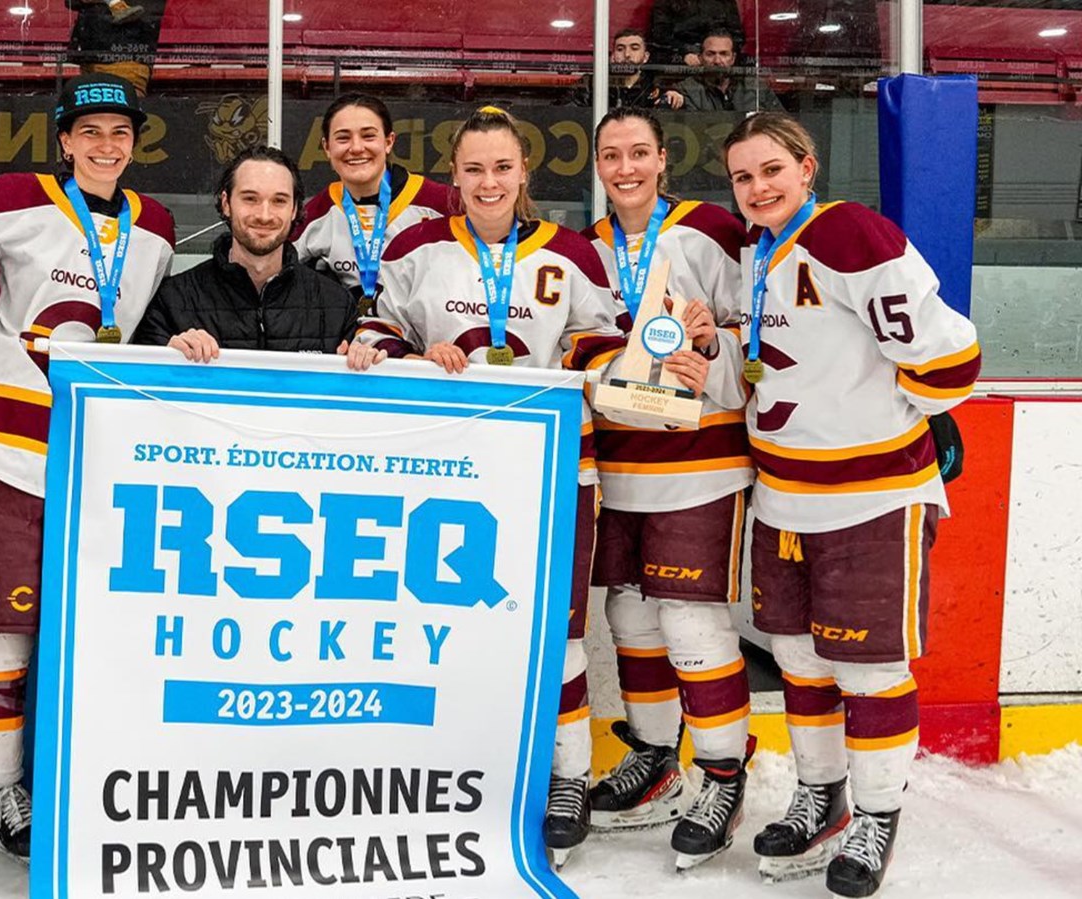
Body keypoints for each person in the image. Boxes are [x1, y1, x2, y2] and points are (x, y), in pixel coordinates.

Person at [346, 105, 627, 870]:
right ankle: (462, 771)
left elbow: (602, 344)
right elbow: (376, 332)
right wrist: (402, 352)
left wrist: (608, 369)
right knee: (453, 625)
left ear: (524, 173)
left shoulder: (570, 252)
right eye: (473, 169)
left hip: (555, 468)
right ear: (454, 176)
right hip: (449, 470)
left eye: (502, 167)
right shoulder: (418, 244)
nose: (488, 181)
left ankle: (568, 774)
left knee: (559, 630)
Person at [723, 112, 980, 897]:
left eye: (772, 169)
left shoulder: (851, 235)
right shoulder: (754, 255)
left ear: (807, 166)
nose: (759, 187)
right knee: (799, 660)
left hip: (871, 497)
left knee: (869, 669)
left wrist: (902, 415)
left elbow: (948, 358)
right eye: (742, 177)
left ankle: (876, 812)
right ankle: (820, 794)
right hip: (783, 498)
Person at [0, 71, 176, 861]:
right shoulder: (9, 199)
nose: (106, 147)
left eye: (120, 134)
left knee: (95, 633)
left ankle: (85, 777)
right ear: (65, 141)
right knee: (1, 634)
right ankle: (4, 789)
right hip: (5, 445)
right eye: (90, 133)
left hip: (97, 450)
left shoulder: (159, 228)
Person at [581, 107, 755, 868]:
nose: (627, 167)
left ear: (662, 159)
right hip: (618, 464)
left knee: (691, 619)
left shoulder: (714, 229)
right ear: (596, 164)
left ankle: (722, 772)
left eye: (640, 152)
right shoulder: (583, 248)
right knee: (628, 611)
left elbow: (757, 336)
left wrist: (715, 349)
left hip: (701, 459)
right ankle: (655, 758)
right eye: (612, 154)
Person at [134, 146, 356, 358]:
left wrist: (366, 360)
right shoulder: (172, 301)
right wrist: (167, 355)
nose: (264, 215)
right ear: (226, 203)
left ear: (295, 209)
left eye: (279, 201)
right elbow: (139, 386)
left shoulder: (337, 305)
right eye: (250, 198)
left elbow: (355, 390)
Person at [292, 94, 455, 316]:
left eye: (368, 136)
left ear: (388, 142)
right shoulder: (316, 211)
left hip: (420, 342)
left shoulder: (442, 203)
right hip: (348, 344)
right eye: (343, 138)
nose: (356, 148)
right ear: (327, 148)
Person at [678, 29, 786, 113]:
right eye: (710, 54)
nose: (717, 61)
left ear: (733, 58)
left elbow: (782, 123)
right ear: (700, 58)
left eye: (724, 54)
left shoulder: (755, 86)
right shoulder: (686, 89)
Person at [647, 0, 744, 67]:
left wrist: (722, 53)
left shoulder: (725, 2)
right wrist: (684, 52)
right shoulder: (666, 2)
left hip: (720, 60)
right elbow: (660, 34)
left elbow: (737, 35)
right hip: (679, 61)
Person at [610, 29, 685, 110]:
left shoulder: (657, 85)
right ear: (613, 56)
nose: (627, 54)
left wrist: (675, 97)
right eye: (620, 49)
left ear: (646, 57)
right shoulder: (602, 85)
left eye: (634, 48)